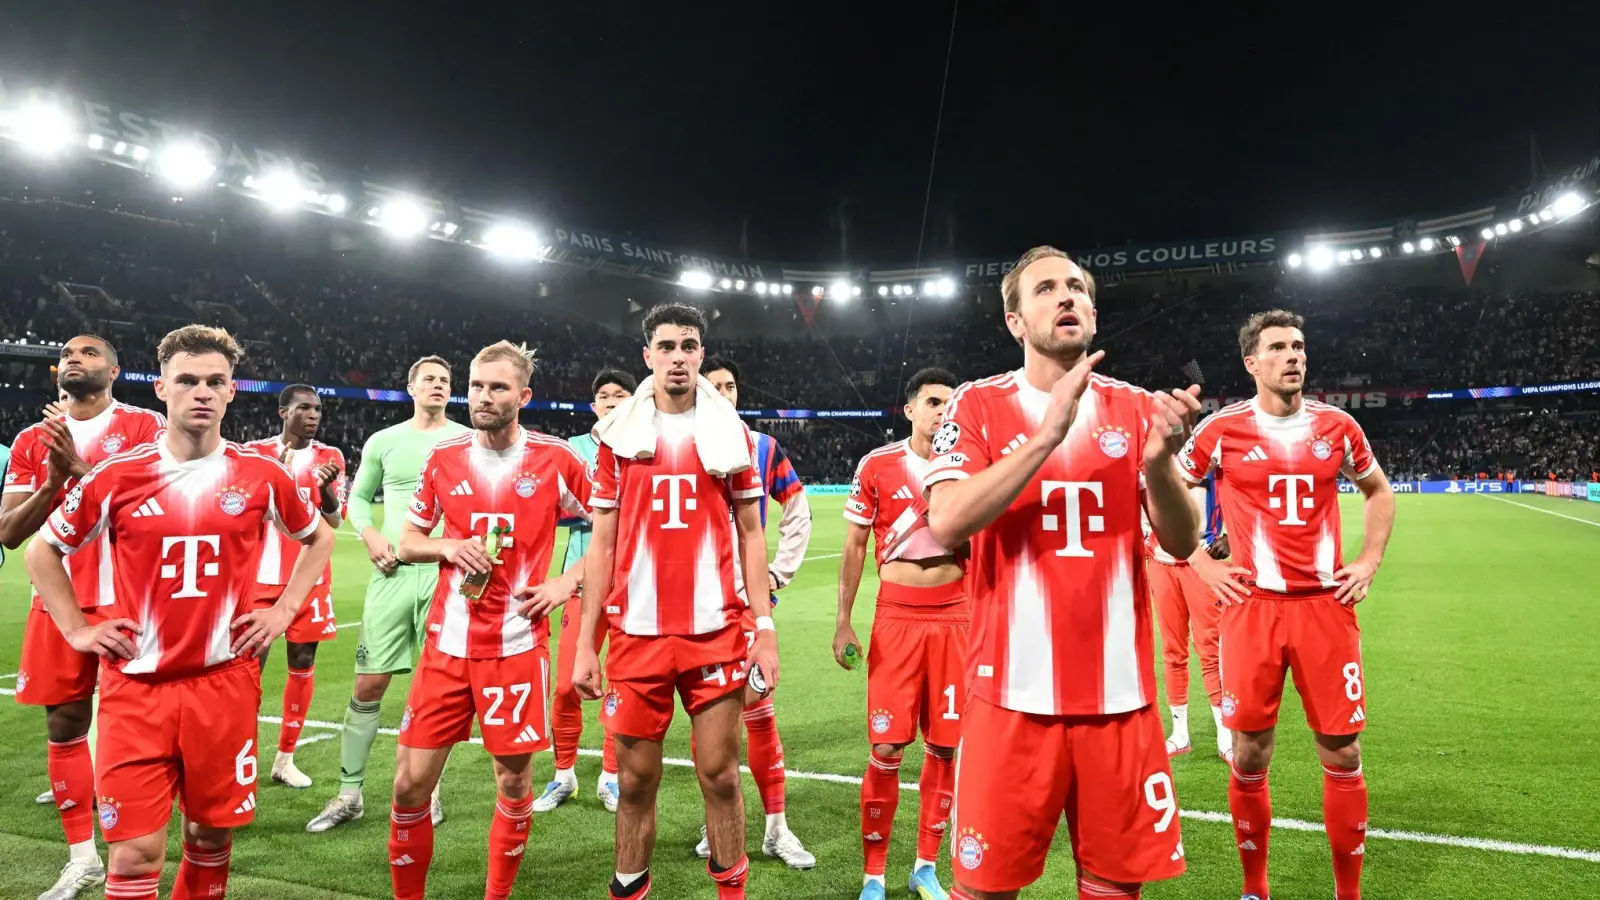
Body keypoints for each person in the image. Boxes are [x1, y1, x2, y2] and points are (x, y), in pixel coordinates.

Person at [924, 246, 1201, 900]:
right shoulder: (976, 405)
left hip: (1120, 699)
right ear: (1016, 321)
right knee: (983, 890)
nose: (1066, 296)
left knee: (1115, 890)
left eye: (1076, 287)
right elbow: (948, 520)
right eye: (1045, 289)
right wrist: (1047, 435)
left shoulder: (1138, 408)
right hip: (1010, 697)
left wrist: (1159, 465)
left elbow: (1183, 538)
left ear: (1094, 314)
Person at [25, 324, 335, 900]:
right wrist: (77, 629)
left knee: (209, 838)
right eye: (187, 380)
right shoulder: (116, 476)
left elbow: (318, 537)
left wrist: (284, 611)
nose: (202, 392)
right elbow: (42, 551)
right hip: (136, 689)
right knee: (133, 857)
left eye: (215, 381)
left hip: (224, 684)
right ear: (161, 388)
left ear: (232, 391)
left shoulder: (261, 475)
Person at [1179, 309, 1396, 900]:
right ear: (1252, 362)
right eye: (1277, 347)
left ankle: (1348, 893)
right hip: (1252, 609)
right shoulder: (1221, 429)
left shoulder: (1338, 426)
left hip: (1325, 608)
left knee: (1343, 751)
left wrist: (1368, 561)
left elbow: (1378, 491)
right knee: (1249, 752)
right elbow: (1167, 490)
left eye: (1298, 345)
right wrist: (1199, 561)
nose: (1293, 355)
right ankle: (1255, 888)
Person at [571, 303, 779, 900]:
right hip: (637, 634)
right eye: (666, 346)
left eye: (689, 346)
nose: (678, 357)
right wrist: (586, 642)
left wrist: (764, 628)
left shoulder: (732, 435)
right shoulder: (617, 439)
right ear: (648, 356)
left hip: (715, 632)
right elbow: (602, 544)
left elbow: (752, 533)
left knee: (720, 775)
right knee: (635, 784)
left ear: (701, 355)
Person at [386, 340, 591, 900]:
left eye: (498, 387)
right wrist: (449, 547)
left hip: (516, 647)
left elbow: (613, 531)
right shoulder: (444, 458)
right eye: (476, 385)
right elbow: (407, 541)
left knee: (514, 781)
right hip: (447, 647)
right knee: (408, 786)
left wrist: (565, 583)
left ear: (523, 396)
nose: (482, 396)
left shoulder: (555, 459)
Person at [1, 335, 165, 900]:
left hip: (130, 598)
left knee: (141, 727)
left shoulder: (144, 427)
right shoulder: (32, 439)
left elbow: (160, 504)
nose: (76, 358)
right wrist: (52, 480)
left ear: (114, 371)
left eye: (90, 353)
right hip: (59, 599)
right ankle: (82, 859)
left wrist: (81, 468)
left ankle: (139, 853)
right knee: (65, 725)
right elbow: (9, 532)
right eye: (68, 354)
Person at [306, 356, 471, 833]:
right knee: (368, 685)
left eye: (445, 380)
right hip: (393, 571)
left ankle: (428, 790)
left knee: (436, 690)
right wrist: (372, 536)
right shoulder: (384, 440)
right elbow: (358, 497)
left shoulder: (467, 440)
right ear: (411, 387)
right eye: (429, 379)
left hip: (444, 575)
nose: (438, 385)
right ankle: (349, 794)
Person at [836, 366, 966, 900]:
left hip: (957, 615)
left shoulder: (970, 467)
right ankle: (874, 875)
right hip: (897, 617)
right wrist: (843, 620)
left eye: (949, 404)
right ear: (910, 409)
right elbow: (854, 546)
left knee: (945, 747)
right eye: (933, 402)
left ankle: (925, 867)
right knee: (887, 747)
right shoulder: (878, 464)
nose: (942, 412)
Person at [697, 355, 815, 869]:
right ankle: (717, 820)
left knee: (759, 713)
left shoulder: (762, 446)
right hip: (695, 607)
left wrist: (777, 573)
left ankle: (776, 828)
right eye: (714, 386)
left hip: (746, 607)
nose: (723, 393)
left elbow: (798, 507)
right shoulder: (681, 445)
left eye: (730, 386)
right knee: (708, 721)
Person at [535, 367, 635, 814]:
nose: (612, 401)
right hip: (581, 581)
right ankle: (564, 775)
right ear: (594, 406)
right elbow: (551, 507)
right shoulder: (572, 449)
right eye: (604, 395)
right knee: (565, 686)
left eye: (621, 394)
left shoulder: (646, 444)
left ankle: (611, 776)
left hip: (633, 585)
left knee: (622, 685)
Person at [243, 385, 348, 790]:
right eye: (304, 407)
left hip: (311, 579)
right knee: (248, 670)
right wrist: (273, 476)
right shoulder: (254, 453)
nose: (313, 414)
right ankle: (241, 754)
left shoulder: (330, 456)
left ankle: (285, 759)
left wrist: (324, 491)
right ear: (283, 411)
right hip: (260, 578)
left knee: (302, 663)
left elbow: (335, 521)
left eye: (318, 408)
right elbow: (240, 511)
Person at [1148, 471, 1233, 760]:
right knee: (1173, 650)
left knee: (1211, 649)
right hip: (1162, 563)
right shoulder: (1150, 452)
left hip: (1203, 561)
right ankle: (1179, 733)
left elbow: (1241, 489)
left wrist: (1230, 536)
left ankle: (1225, 734)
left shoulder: (1213, 451)